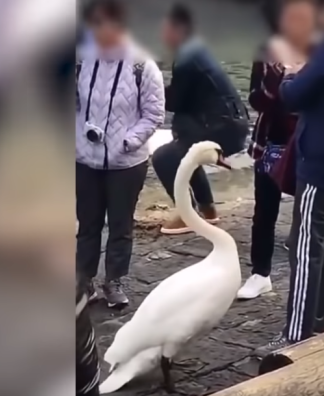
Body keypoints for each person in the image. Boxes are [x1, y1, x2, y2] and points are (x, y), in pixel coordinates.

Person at [255, 0, 324, 354]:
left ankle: (294, 334)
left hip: (322, 165)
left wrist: (291, 71)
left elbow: (291, 96)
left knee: (305, 248)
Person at [76, 0, 165, 308]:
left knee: (120, 224)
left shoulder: (142, 65)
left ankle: (114, 280)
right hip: (86, 159)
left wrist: (128, 141)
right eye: (96, 24)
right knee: (86, 224)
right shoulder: (82, 62)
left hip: (126, 162)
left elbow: (154, 114)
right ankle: (83, 281)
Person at [238, 0, 318, 300]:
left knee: (311, 211)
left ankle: (322, 271)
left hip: (309, 142)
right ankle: (260, 273)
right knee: (264, 210)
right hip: (271, 142)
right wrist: (277, 76)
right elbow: (256, 100)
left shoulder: (323, 52)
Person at [153, 3, 250, 235]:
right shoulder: (195, 50)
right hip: (231, 123)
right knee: (184, 148)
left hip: (223, 127)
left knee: (164, 157)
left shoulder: (187, 57)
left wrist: (151, 86)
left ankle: (188, 214)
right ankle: (208, 212)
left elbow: (175, 102)